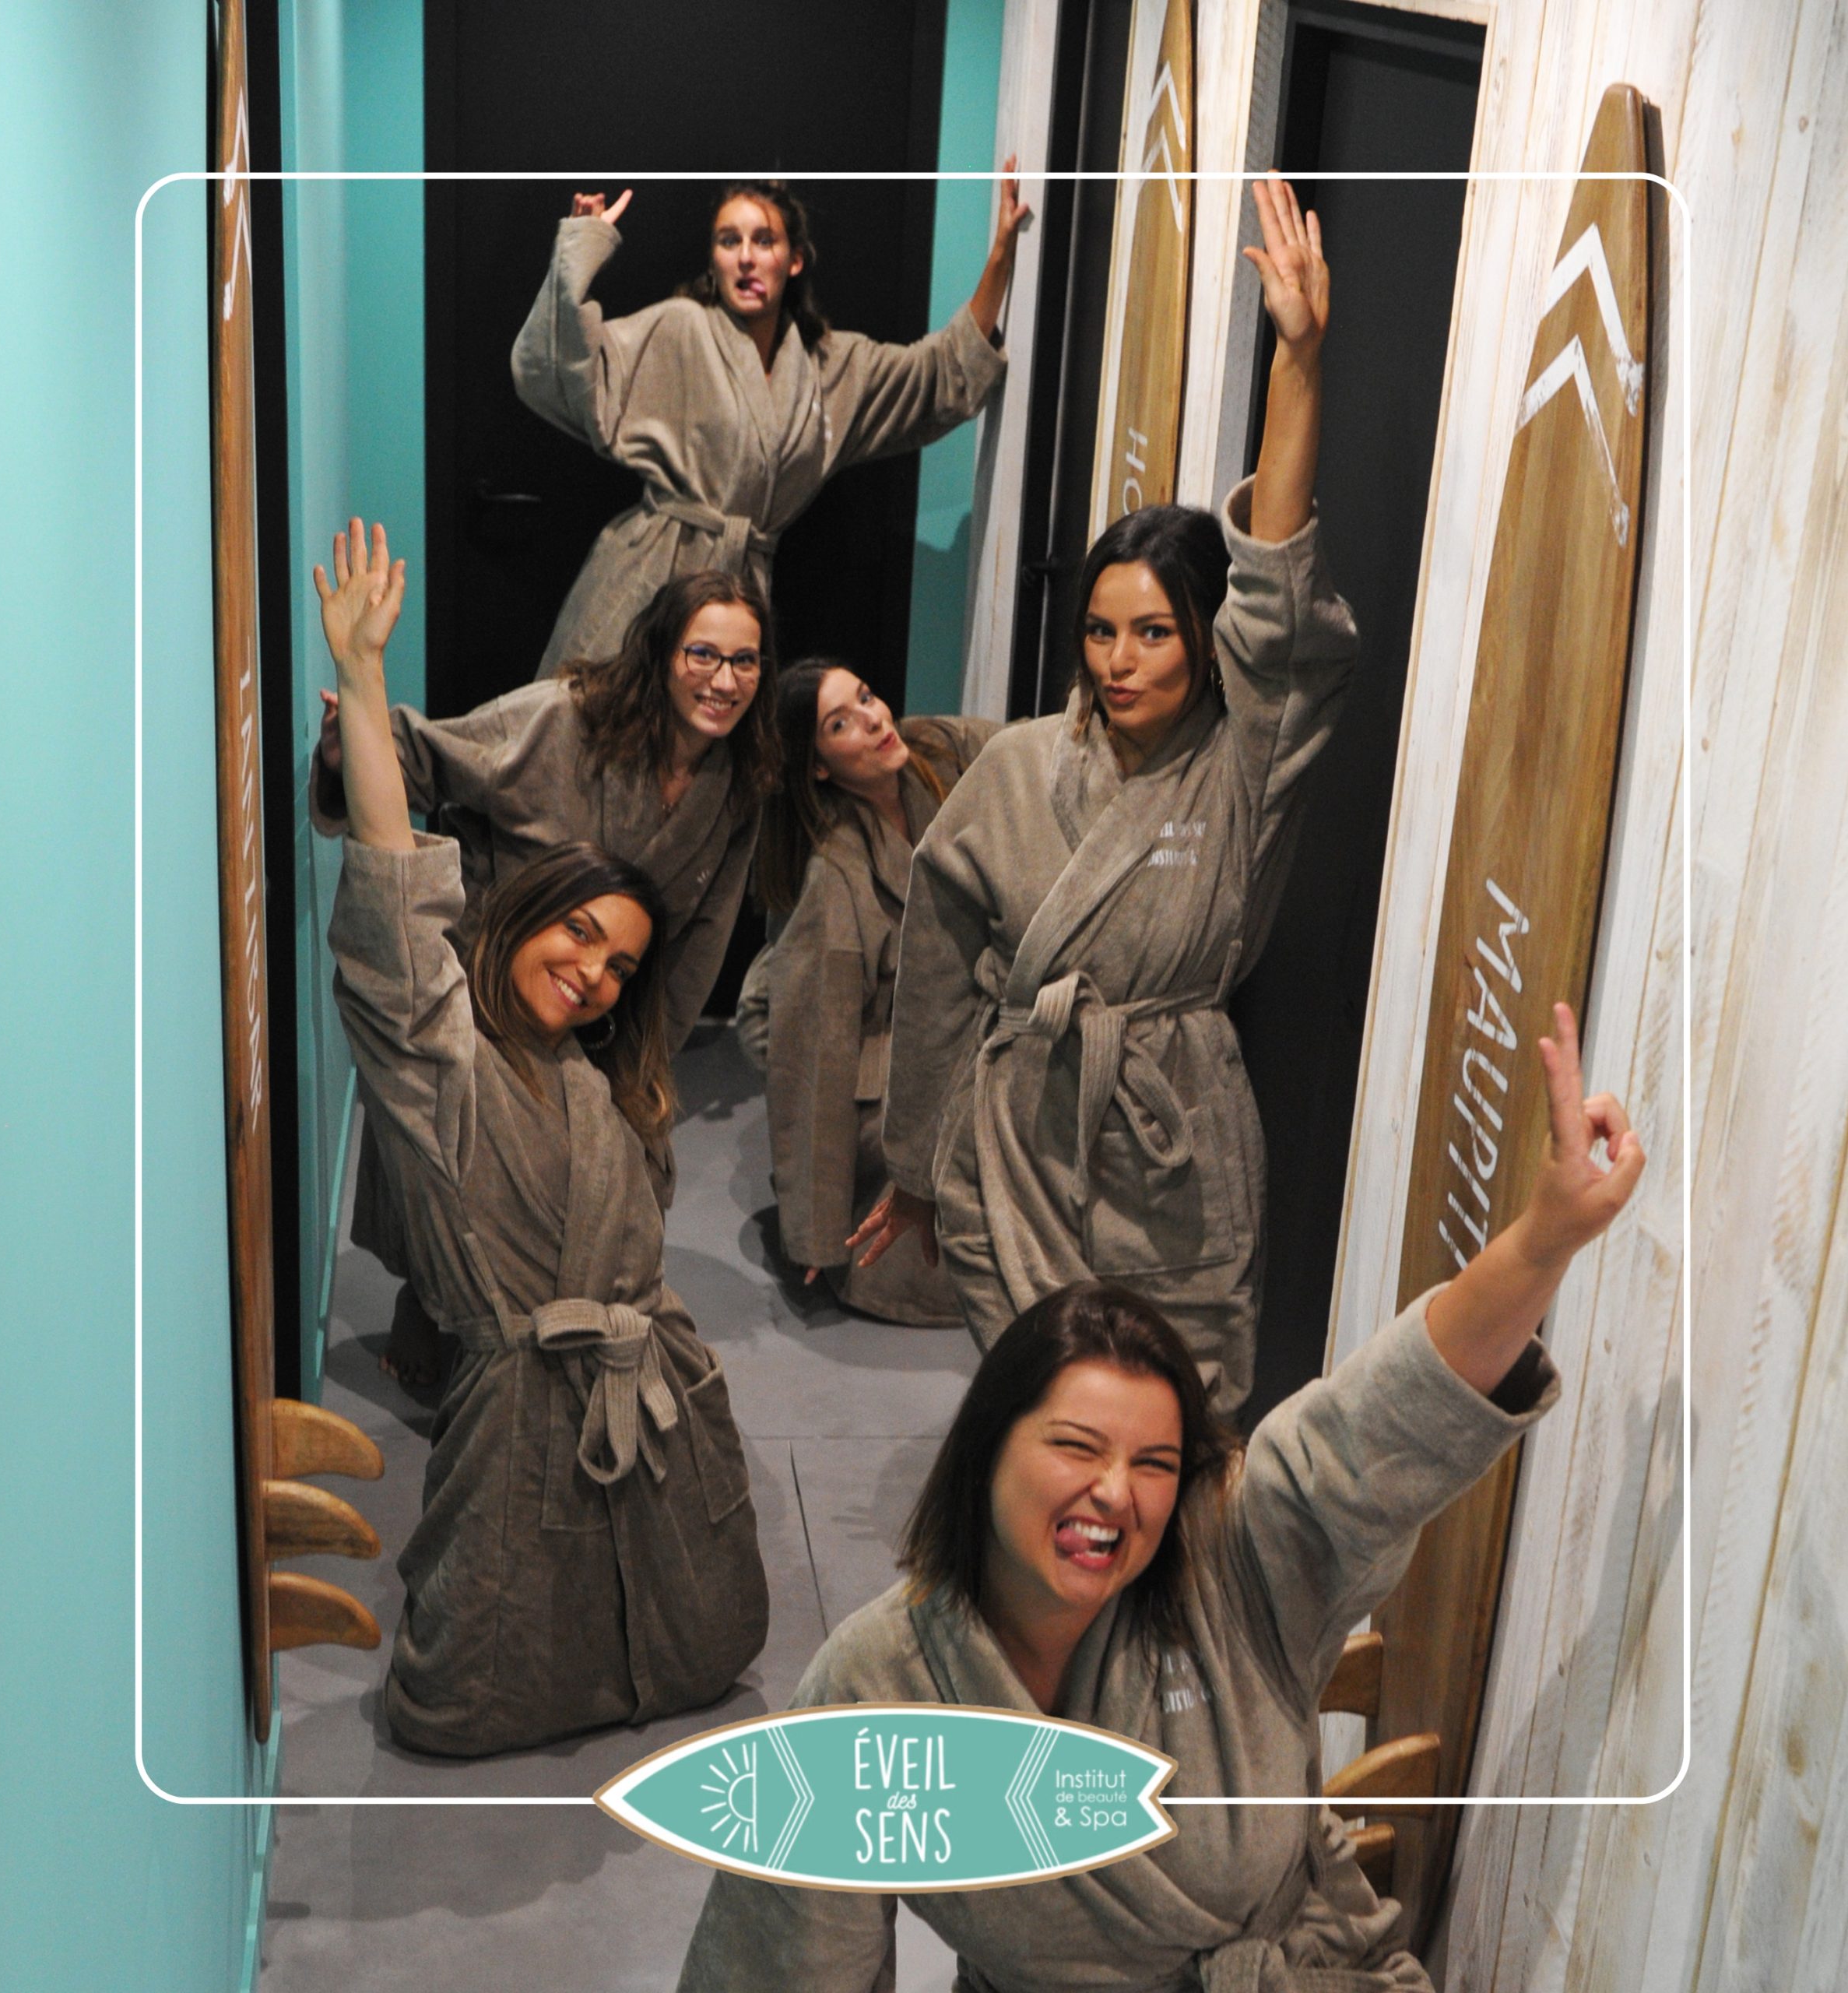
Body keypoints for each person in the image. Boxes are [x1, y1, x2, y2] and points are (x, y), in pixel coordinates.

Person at [679, 1004, 1646, 1988]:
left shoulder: (1231, 1555)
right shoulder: (878, 1688)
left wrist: (1543, 1240)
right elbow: (788, 1961)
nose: (1115, 1492)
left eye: (1153, 1462)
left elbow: (1378, 1426)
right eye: (1075, 1446)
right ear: (986, 1450)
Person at [851, 177, 1355, 1411]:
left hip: (1172, 1153)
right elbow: (936, 972)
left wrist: (1299, 363)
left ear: (1207, 642)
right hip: (1018, 1139)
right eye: (1098, 631)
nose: (1119, 662)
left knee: (1178, 1426)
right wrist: (918, 1166)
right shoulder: (1021, 768)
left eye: (1155, 633)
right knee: (1040, 1417)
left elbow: (1278, 604)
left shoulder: (1246, 765)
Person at [315, 517, 769, 1757]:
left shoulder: (606, 1082)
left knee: (701, 1634)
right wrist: (363, 677)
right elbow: (396, 881)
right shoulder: (440, 1047)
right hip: (519, 1396)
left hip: (646, 1385)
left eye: (618, 963)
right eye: (576, 936)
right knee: (470, 1690)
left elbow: (682, 966)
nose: (594, 972)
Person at [310, 564, 780, 1384]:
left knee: (596, 1184)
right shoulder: (564, 721)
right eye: (703, 653)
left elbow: (700, 941)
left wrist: (647, 1062)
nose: (724, 679)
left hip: (609, 1007)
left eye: (745, 661)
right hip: (493, 990)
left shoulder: (737, 780)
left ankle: (547, 1341)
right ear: (662, 651)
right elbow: (420, 755)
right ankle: (435, 1320)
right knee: (458, 1187)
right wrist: (355, 727)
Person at [511, 171, 1029, 677]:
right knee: (599, 721)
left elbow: (936, 375)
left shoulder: (830, 369)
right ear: (713, 262)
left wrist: (1002, 255)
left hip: (741, 597)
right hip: (647, 582)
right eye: (728, 240)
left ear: (795, 259)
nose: (745, 256)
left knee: (710, 727)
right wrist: (580, 245)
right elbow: (562, 370)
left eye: (764, 240)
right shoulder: (679, 328)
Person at [746, 662, 1001, 1323]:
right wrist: (815, 1230)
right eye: (841, 724)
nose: (873, 718)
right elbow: (816, 1055)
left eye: (866, 696)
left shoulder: (938, 752)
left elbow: (1032, 747)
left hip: (971, 1040)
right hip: (888, 1081)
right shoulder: (836, 877)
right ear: (819, 766)